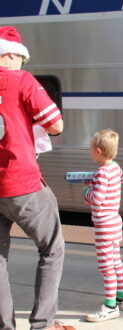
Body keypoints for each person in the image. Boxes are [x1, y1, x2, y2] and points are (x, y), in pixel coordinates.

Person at [0, 26, 75, 330]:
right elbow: (55, 124)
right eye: (21, 59)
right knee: (52, 248)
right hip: (21, 182)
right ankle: (42, 324)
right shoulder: (21, 80)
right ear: (11, 55)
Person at [82, 129, 123, 322]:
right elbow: (122, 179)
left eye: (91, 149)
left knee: (105, 266)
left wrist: (87, 189)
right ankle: (122, 298)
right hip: (115, 222)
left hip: (104, 225)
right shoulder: (115, 168)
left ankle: (110, 306)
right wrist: (97, 182)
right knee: (116, 261)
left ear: (98, 151)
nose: (90, 151)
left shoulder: (102, 172)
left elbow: (98, 198)